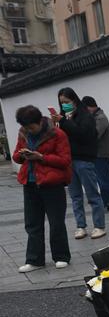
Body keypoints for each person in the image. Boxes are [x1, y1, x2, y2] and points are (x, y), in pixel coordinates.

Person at [11, 105, 72, 272]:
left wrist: (41, 157)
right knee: (32, 223)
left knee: (56, 222)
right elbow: (16, 156)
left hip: (52, 184)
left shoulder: (57, 134)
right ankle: (34, 260)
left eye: (31, 127)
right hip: (30, 183)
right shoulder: (23, 133)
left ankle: (61, 257)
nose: (28, 130)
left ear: (39, 122)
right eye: (25, 127)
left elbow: (65, 160)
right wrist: (21, 155)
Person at [51, 87, 107, 239]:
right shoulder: (63, 118)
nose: (64, 106)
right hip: (69, 161)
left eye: (67, 102)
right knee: (75, 196)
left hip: (84, 160)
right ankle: (80, 226)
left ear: (74, 100)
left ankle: (99, 225)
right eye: (62, 103)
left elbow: (83, 134)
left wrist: (64, 121)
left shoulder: (85, 116)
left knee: (92, 195)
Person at [81, 96, 109, 205]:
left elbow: (94, 135)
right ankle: (107, 203)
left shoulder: (100, 118)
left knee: (105, 181)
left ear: (89, 107)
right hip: (96, 154)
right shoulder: (95, 117)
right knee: (101, 180)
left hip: (102, 154)